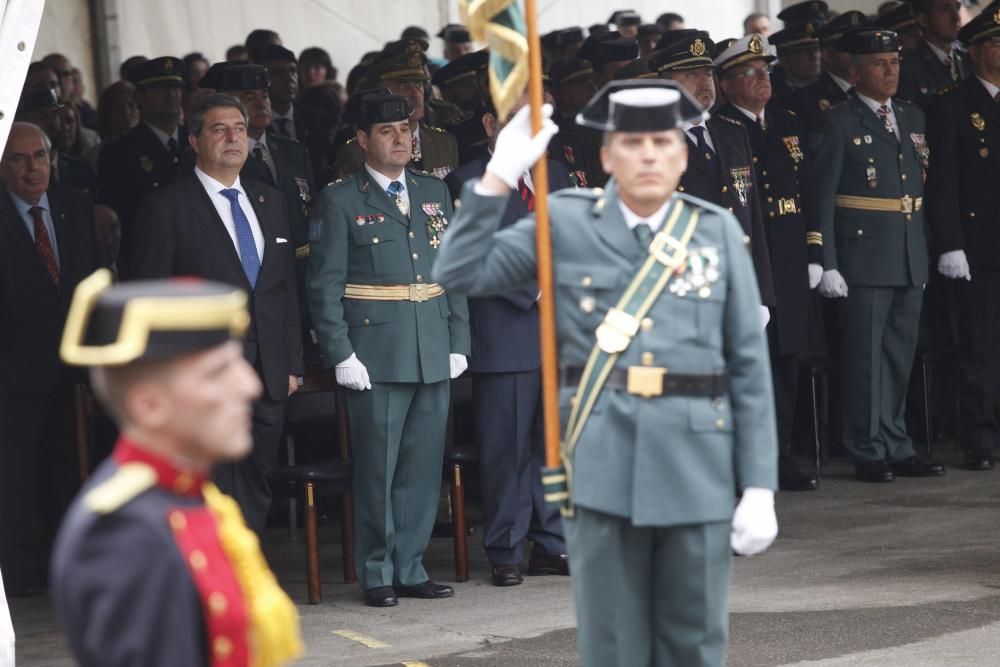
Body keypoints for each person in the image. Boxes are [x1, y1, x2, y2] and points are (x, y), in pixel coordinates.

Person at [433, 79, 778, 667]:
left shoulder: (713, 230)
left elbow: (747, 365)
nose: (649, 155)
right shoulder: (566, 221)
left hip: (695, 461)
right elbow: (459, 270)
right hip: (601, 463)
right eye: (633, 142)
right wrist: (498, 174)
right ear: (606, 155)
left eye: (663, 142)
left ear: (683, 153)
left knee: (693, 640)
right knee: (613, 645)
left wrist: (760, 486)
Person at [51, 269, 302, 667]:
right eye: (217, 372)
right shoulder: (122, 533)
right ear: (148, 405)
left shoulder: (189, 498)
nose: (249, 387)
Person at [307, 89, 470, 608]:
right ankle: (376, 571)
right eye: (388, 131)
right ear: (362, 140)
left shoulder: (432, 191)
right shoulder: (340, 198)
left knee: (424, 467)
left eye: (407, 129)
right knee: (378, 468)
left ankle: (411, 565)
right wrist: (340, 353)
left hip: (430, 345)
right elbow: (324, 286)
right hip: (375, 353)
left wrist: (458, 340)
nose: (402, 139)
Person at [125, 93, 303, 532]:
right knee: (208, 486)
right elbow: (149, 300)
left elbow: (284, 292)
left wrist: (293, 364)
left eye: (239, 129)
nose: (232, 138)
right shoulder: (165, 208)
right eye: (219, 129)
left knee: (257, 480)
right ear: (193, 140)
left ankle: (242, 582)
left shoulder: (269, 200)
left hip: (268, 373)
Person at [444, 94, 572, 587]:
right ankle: (505, 547)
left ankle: (551, 542)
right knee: (507, 450)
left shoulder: (557, 176)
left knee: (554, 448)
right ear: (490, 122)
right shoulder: (469, 179)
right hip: (506, 327)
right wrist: (537, 286)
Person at [811, 28, 943, 483]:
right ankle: (867, 447)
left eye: (895, 62)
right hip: (863, 255)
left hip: (908, 252)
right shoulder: (839, 122)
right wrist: (825, 260)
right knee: (865, 358)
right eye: (879, 63)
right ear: (855, 72)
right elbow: (821, 196)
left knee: (898, 357)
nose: (890, 71)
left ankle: (896, 441)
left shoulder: (912, 116)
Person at [0, 122, 107, 597]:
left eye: (39, 156)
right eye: (19, 159)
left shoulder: (75, 206)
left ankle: (70, 566)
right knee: (17, 477)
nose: (32, 168)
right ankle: (20, 575)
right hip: (13, 373)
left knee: (73, 469)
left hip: (76, 371)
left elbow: (99, 282)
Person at [715, 34, 822, 492]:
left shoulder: (787, 122)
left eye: (766, 72)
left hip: (790, 259)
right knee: (749, 367)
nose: (763, 80)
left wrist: (816, 250)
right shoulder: (724, 129)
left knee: (786, 361)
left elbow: (810, 191)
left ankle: (781, 456)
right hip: (754, 261)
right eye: (751, 73)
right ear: (725, 83)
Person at [651, 29, 777, 315]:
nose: (703, 82)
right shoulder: (653, 142)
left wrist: (761, 295)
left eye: (707, 73)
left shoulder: (732, 133)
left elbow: (752, 218)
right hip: (683, 292)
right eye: (691, 75)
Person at [925, 11, 1000, 471]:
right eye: (995, 43)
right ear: (973, 52)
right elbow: (943, 184)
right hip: (980, 245)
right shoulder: (953, 104)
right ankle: (980, 436)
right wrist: (950, 243)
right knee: (981, 348)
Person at [199, 62, 318, 345]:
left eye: (263, 94)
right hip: (249, 283)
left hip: (300, 282)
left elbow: (312, 214)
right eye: (248, 96)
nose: (261, 102)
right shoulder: (212, 158)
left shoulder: (291, 150)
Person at [96, 56, 187, 270]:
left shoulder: (199, 141)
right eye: (161, 88)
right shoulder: (119, 152)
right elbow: (122, 218)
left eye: (176, 87)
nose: (172, 94)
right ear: (141, 97)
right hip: (150, 261)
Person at [333, 39, 459, 180]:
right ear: (380, 91)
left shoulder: (445, 143)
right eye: (404, 85)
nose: (415, 93)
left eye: (419, 84)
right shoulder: (358, 152)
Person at [251, 44, 333, 183]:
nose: (289, 78)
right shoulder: (253, 123)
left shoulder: (318, 120)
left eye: (293, 71)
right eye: (278, 73)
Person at [898, 0, 969, 108]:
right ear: (923, 20)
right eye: (944, 9)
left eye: (957, 8)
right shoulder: (909, 68)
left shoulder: (969, 58)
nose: (956, 17)